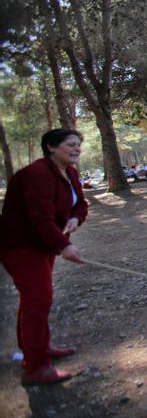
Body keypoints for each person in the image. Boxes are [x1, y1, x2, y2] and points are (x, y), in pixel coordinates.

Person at [0, 129, 87, 385]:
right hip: (20, 246)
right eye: (70, 144)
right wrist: (64, 246)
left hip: (42, 245)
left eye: (78, 145)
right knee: (38, 300)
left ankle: (37, 348)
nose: (76, 149)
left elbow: (80, 204)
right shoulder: (36, 175)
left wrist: (75, 218)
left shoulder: (70, 172)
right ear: (51, 147)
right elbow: (40, 217)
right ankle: (35, 368)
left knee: (35, 300)